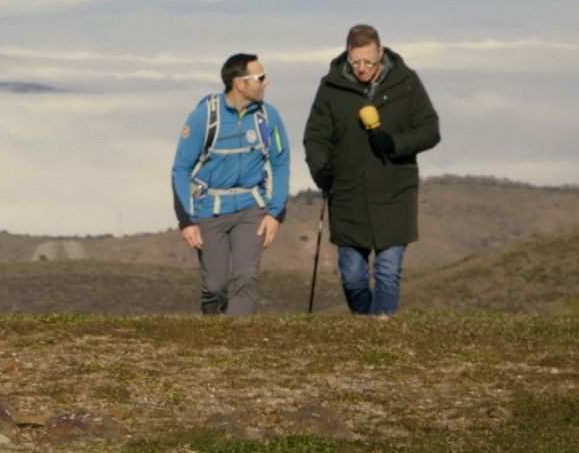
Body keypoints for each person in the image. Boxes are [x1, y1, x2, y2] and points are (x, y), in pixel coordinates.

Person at [303, 24, 440, 317]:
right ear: (347, 56)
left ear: (381, 52)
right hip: (348, 195)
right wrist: (320, 169)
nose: (362, 68)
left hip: (395, 193)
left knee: (388, 272)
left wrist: (395, 143)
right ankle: (364, 325)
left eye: (368, 61)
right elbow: (315, 136)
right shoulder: (331, 87)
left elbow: (430, 131)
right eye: (355, 61)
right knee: (352, 277)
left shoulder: (406, 82)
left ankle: (380, 334)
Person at [171, 53, 290, 316]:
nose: (265, 82)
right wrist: (186, 221)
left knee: (246, 276)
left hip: (252, 209)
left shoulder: (269, 117)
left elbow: (281, 163)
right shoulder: (203, 117)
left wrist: (276, 212)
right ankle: (213, 329)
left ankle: (236, 344)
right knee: (215, 284)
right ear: (239, 83)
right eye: (259, 77)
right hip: (209, 210)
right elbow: (180, 169)